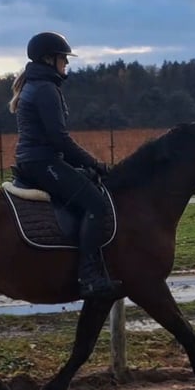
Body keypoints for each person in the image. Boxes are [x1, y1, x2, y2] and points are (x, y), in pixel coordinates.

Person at [9, 31, 121, 299]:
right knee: (95, 203)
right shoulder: (46, 89)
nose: (66, 64)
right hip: (42, 162)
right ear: (49, 59)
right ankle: (89, 276)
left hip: (38, 160)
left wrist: (83, 166)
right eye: (63, 59)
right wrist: (94, 163)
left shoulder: (38, 84)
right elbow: (58, 138)